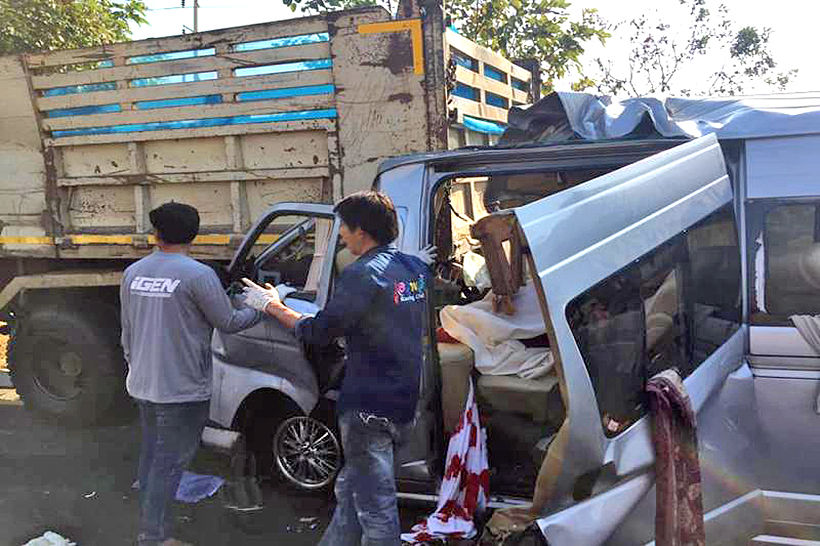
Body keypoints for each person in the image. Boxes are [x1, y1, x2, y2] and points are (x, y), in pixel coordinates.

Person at [242, 191, 431, 546]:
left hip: (368, 407)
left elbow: (317, 331)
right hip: (404, 401)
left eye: (343, 226)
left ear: (361, 230)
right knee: (352, 489)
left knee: (376, 509)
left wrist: (271, 305)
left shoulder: (361, 275)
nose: (340, 234)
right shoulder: (415, 269)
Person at [120, 202, 262, 546]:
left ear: (156, 234)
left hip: (143, 384)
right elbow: (228, 322)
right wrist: (264, 306)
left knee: (153, 456)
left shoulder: (133, 272)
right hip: (182, 391)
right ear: (194, 234)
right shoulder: (198, 275)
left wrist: (137, 368)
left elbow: (126, 332)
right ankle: (154, 537)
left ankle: (150, 526)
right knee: (167, 466)